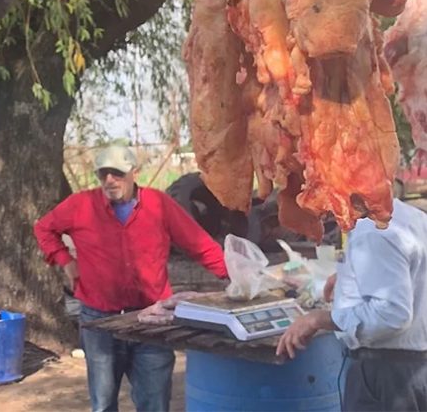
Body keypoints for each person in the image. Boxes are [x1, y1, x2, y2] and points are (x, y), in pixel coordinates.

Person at [33, 144, 229, 412]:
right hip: (100, 320)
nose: (110, 180)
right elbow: (44, 228)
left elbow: (199, 244)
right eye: (104, 174)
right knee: (103, 403)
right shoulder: (81, 205)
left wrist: (234, 276)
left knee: (155, 402)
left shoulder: (159, 204)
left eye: (117, 173)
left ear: (134, 173)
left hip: (152, 319)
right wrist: (65, 261)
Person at [276, 199, 427, 411]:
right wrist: (351, 274)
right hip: (414, 372)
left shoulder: (372, 229)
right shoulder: (410, 216)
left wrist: (320, 319)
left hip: (384, 376)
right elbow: (408, 272)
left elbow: (392, 315)